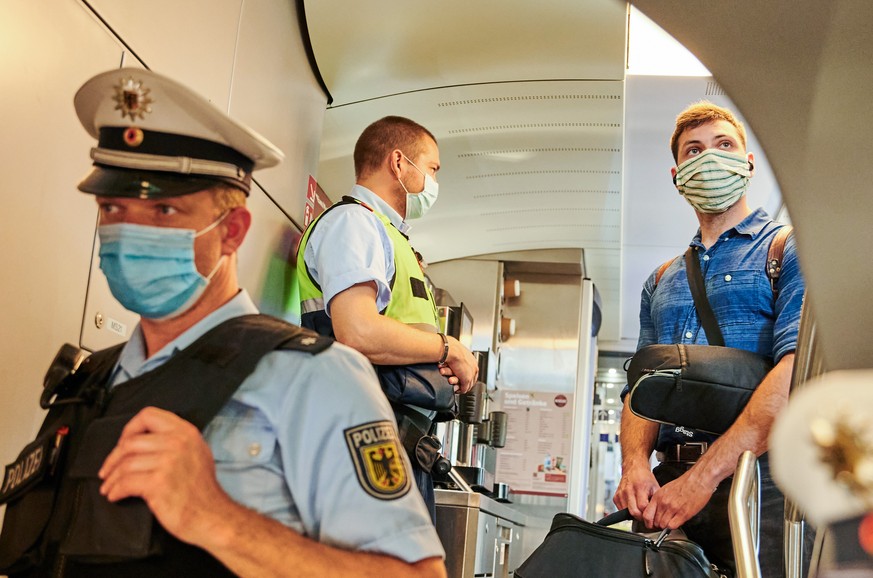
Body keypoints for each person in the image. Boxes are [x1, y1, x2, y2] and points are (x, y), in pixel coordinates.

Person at [0, 68, 446, 578]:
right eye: (112, 208)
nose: (127, 231)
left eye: (164, 210)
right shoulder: (86, 385)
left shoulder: (317, 380)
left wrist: (216, 518)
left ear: (231, 231)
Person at [614, 102, 810, 576]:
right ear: (678, 174)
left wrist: (703, 480)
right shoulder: (661, 279)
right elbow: (642, 389)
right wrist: (635, 464)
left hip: (759, 482)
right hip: (667, 486)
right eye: (694, 150)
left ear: (747, 162)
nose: (710, 158)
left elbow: (791, 377)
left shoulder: (786, 251)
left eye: (724, 145)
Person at [296, 116, 479, 519]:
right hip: (362, 441)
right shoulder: (353, 223)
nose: (433, 183)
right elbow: (358, 331)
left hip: (396, 442)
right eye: (432, 169)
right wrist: (450, 349)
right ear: (399, 164)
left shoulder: (388, 235)